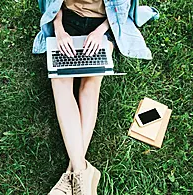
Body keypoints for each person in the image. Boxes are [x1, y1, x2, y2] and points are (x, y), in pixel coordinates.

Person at [32, 0, 159, 194]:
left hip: (103, 24)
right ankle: (82, 171)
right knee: (59, 81)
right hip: (67, 21)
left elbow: (120, 9)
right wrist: (59, 29)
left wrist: (100, 32)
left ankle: (70, 175)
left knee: (90, 84)